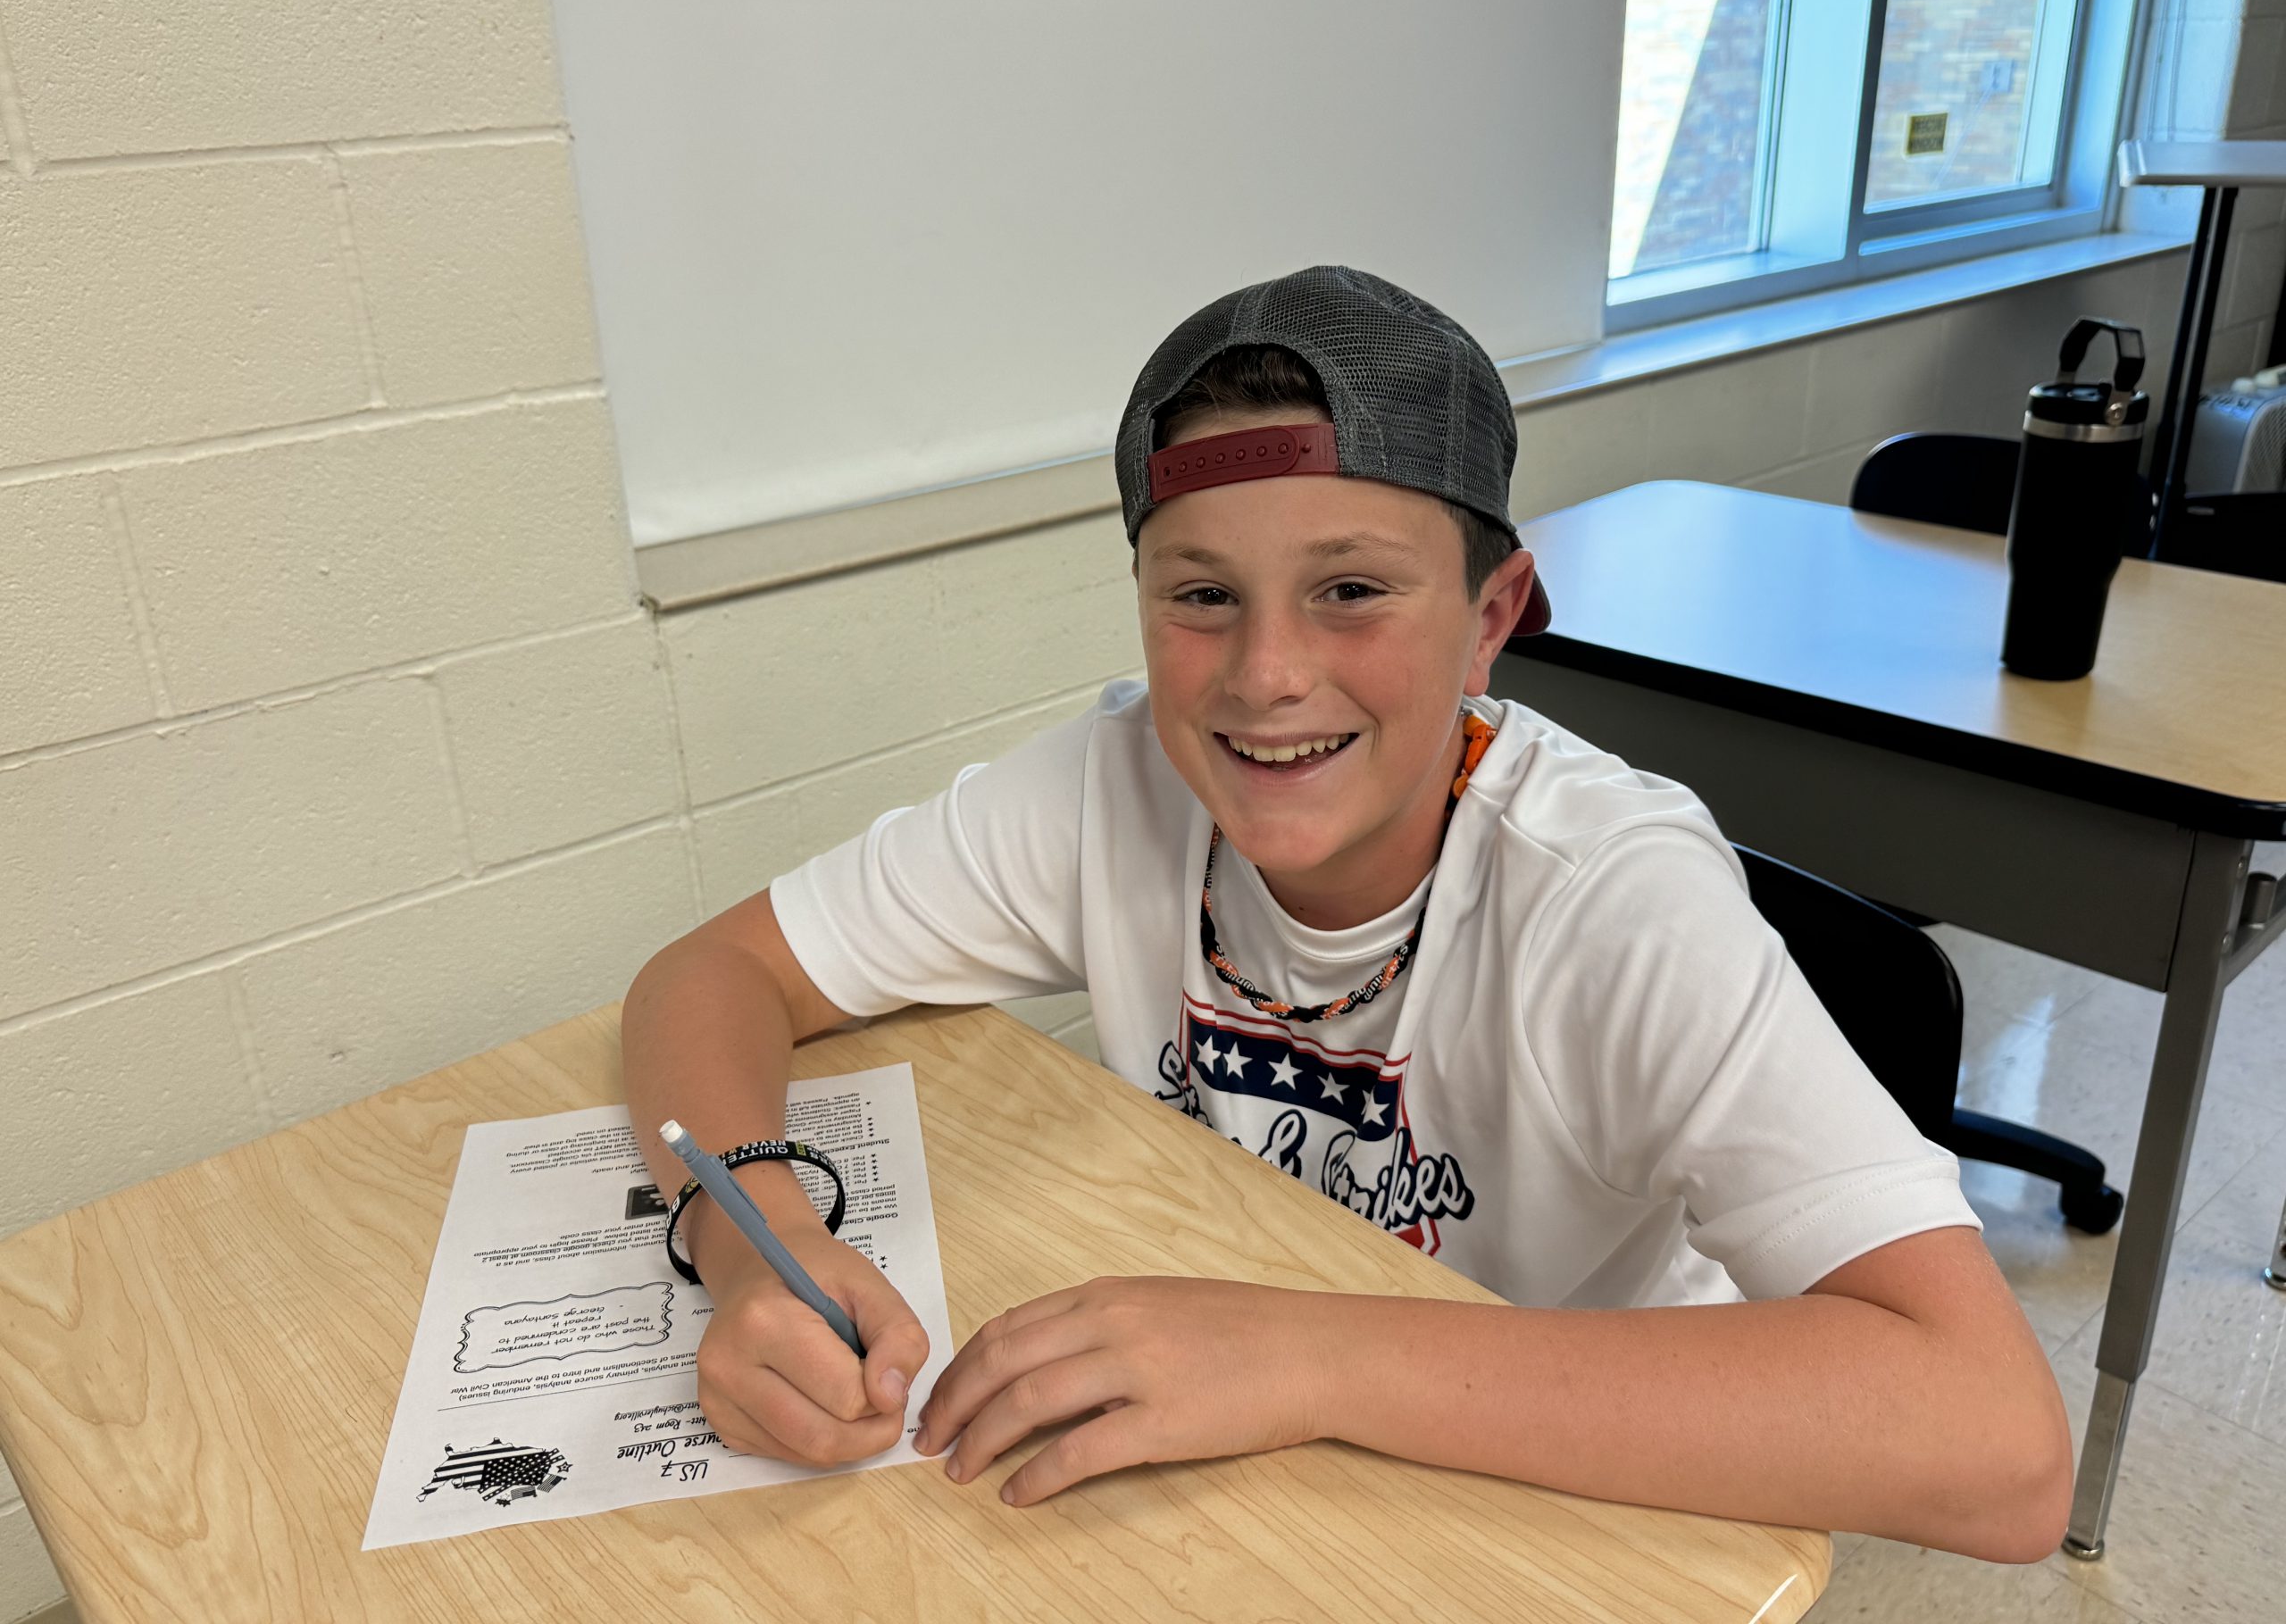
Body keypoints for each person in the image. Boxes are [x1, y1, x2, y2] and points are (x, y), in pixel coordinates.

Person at [622, 265, 2073, 1560]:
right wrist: (757, 1240)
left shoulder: (1613, 897)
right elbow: (714, 974)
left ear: (1494, 617)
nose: (1265, 676)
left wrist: (1311, 1359)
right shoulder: (1109, 785)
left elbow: (1999, 1452)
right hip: (1269, 1481)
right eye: (1202, 596)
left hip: (1565, 1499)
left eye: (1353, 591)